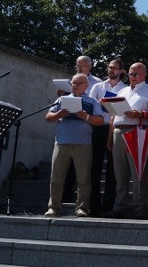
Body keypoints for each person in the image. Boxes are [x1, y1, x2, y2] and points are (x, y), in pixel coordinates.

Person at [104, 62, 148, 219]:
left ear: (144, 75)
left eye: (136, 74)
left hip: (137, 131)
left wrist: (140, 114)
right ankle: (119, 206)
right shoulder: (122, 90)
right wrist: (110, 136)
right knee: (120, 173)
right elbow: (113, 115)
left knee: (138, 172)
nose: (132, 77)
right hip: (118, 131)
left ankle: (140, 207)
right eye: (130, 74)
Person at [45, 73, 106, 217]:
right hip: (61, 143)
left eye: (79, 83)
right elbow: (48, 117)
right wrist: (58, 115)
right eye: (73, 83)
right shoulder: (61, 99)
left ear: (86, 85)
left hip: (83, 144)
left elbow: (100, 121)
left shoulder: (92, 102)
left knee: (84, 179)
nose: (75, 85)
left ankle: (82, 208)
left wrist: (86, 116)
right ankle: (53, 207)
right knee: (56, 178)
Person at [87, 57, 126, 216]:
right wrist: (102, 103)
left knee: (113, 169)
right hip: (97, 128)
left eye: (114, 68)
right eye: (109, 67)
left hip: (114, 129)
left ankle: (109, 205)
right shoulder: (97, 86)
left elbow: (123, 109)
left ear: (121, 71)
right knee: (94, 167)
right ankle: (93, 205)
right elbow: (89, 104)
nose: (111, 70)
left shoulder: (125, 88)